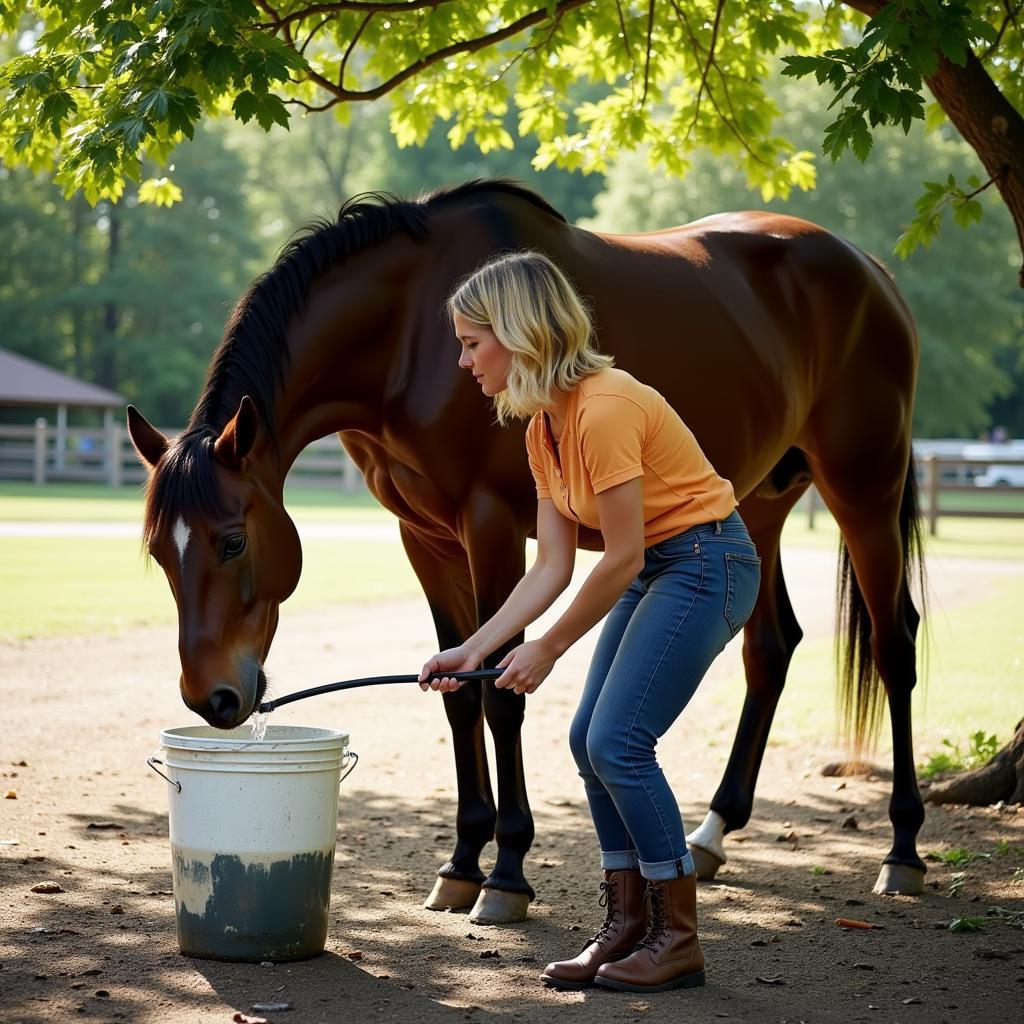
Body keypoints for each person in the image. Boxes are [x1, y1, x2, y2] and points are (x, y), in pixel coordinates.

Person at [418, 251, 761, 993]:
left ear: (519, 332)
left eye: (473, 341)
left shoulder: (605, 407)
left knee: (619, 742)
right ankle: (627, 926)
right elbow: (552, 565)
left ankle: (678, 939)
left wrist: (547, 646)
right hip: (659, 568)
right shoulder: (544, 425)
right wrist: (472, 648)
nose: (463, 358)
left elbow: (623, 555)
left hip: (708, 562)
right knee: (587, 739)